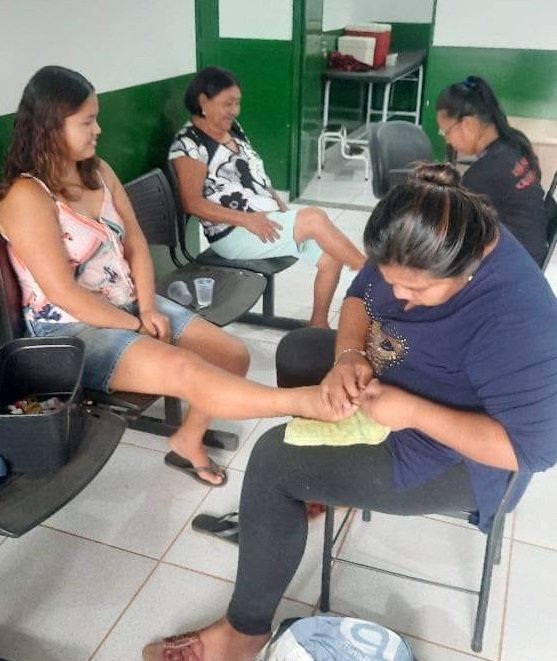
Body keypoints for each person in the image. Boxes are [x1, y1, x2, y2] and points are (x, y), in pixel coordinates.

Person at [143, 163, 557, 661]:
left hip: (456, 458)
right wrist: (349, 356)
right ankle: (312, 494)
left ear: (464, 269)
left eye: (417, 291)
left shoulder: (518, 318)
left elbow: (531, 451)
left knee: (274, 461)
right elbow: (362, 295)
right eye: (394, 281)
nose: (399, 298)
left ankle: (244, 631)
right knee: (298, 350)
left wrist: (414, 412)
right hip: (399, 376)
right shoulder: (420, 236)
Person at [0, 66, 353, 488]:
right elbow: (62, 292)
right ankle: (304, 403)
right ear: (50, 126)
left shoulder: (97, 170)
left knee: (232, 355)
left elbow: (135, 243)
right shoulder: (26, 196)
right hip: (72, 329)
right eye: (87, 121)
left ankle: (187, 439)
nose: (98, 130)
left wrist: (147, 307)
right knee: (187, 369)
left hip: (128, 301)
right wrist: (136, 324)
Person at [169, 67, 366, 328]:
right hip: (232, 233)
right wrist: (248, 220)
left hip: (265, 220)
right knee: (314, 217)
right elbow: (192, 203)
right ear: (203, 101)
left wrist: (278, 205)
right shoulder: (189, 145)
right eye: (228, 103)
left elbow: (255, 174)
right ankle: (372, 275)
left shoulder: (232, 128)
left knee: (331, 255)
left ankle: (318, 324)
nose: (235, 110)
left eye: (237, 103)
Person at [436, 75, 548, 266]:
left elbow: (453, 231)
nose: (447, 140)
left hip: (514, 265)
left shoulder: (485, 173)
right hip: (532, 251)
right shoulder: (515, 143)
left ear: (469, 124)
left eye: (447, 132)